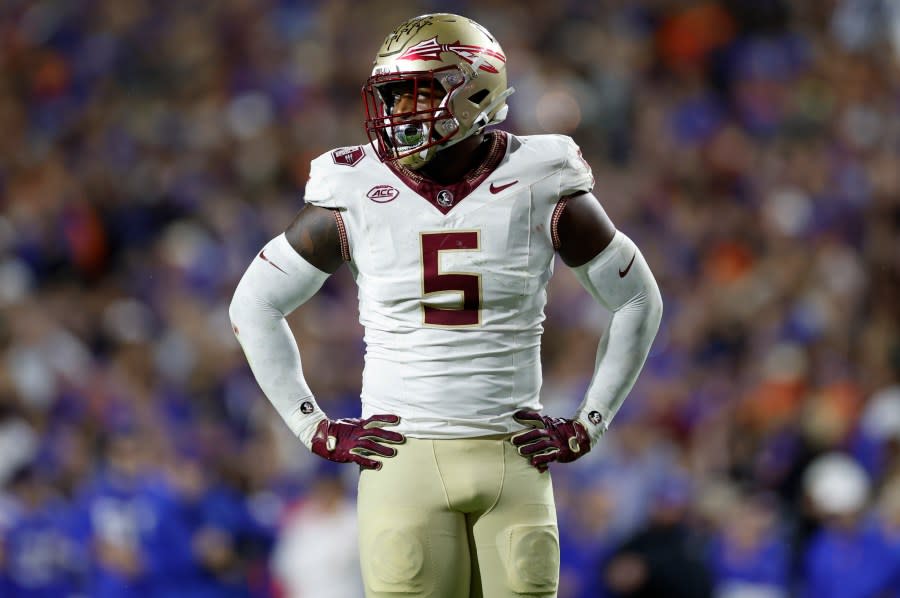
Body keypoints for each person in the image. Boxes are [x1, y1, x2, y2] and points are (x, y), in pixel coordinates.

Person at [229, 12, 663, 598]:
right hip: (403, 459)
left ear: (477, 88)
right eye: (392, 95)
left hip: (512, 456)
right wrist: (314, 428)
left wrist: (591, 421)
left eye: (419, 91)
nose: (400, 111)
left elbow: (638, 298)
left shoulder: (539, 176)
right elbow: (254, 305)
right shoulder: (353, 187)